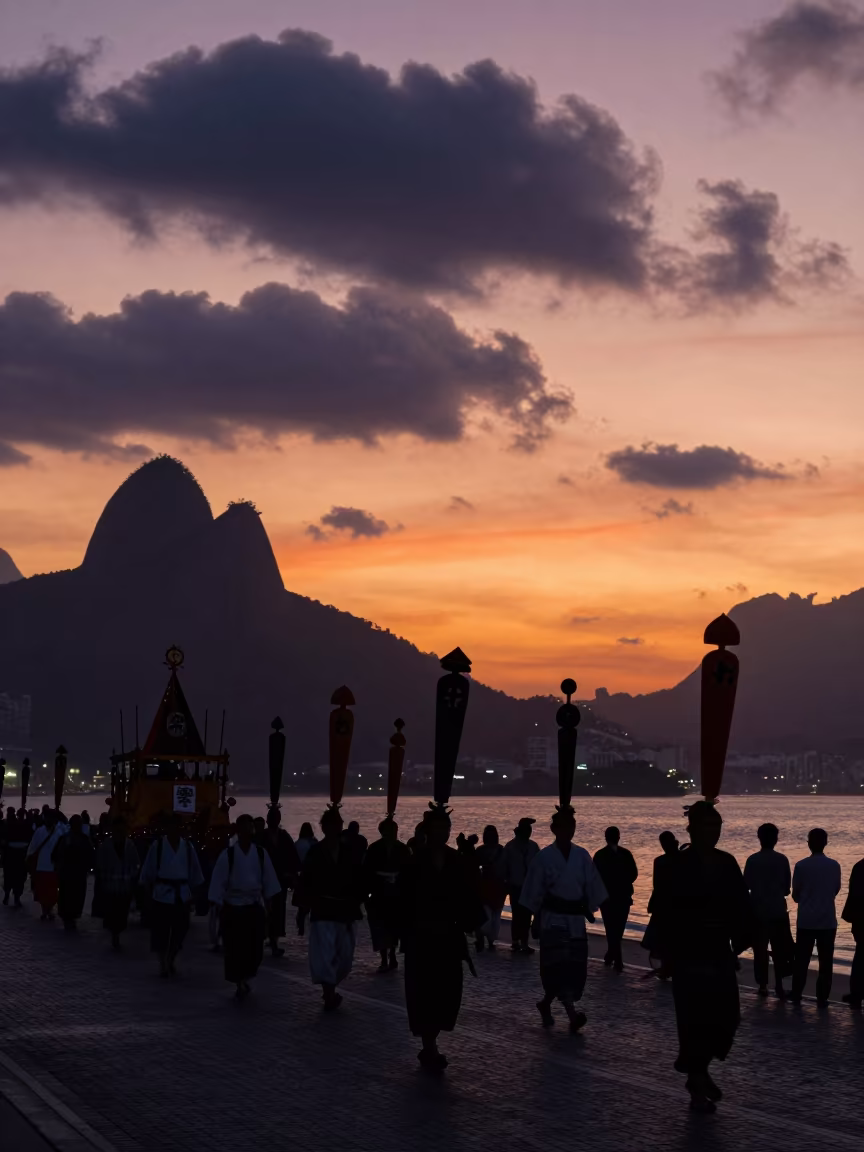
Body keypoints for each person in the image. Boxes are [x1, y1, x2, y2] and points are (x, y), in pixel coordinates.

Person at [655, 801, 751, 1114]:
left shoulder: (727, 862)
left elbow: (740, 904)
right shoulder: (675, 865)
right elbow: (665, 911)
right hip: (688, 951)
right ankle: (697, 1080)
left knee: (727, 1018)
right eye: (707, 827)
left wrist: (739, 943)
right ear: (692, 829)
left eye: (717, 827)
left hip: (719, 949)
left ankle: (698, 1069)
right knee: (693, 1020)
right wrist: (666, 954)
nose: (713, 833)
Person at [399, 807, 484, 1070]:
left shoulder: (456, 860)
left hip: (448, 937)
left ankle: (431, 1042)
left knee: (448, 992)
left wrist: (474, 924)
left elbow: (468, 894)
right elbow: (403, 901)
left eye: (445, 828)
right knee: (424, 992)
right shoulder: (414, 862)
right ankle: (429, 1047)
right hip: (422, 938)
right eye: (436, 828)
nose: (441, 833)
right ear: (428, 830)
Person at [519, 808, 608, 1032]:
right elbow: (534, 893)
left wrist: (589, 908)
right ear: (554, 829)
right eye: (564, 826)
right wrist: (535, 920)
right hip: (553, 919)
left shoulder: (582, 855)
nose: (569, 830)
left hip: (576, 920)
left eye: (572, 826)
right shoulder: (543, 858)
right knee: (557, 966)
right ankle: (572, 1014)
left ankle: (546, 1003)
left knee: (573, 967)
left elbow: (592, 886)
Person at [294, 808, 363, 1010]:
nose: (334, 827)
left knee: (344, 957)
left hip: (344, 910)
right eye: (329, 824)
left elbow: (358, 879)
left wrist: (359, 900)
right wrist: (302, 911)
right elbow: (306, 882)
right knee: (324, 954)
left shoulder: (349, 852)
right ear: (323, 827)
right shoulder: (315, 852)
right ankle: (329, 993)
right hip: (322, 909)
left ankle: (331, 987)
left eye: (337, 824)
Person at [209, 813, 281, 998]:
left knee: (255, 948)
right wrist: (218, 905)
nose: (247, 832)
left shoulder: (260, 854)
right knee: (234, 948)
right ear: (238, 831)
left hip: (253, 905)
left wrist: (269, 905)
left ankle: (247, 976)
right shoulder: (229, 855)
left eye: (250, 828)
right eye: (244, 828)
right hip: (233, 906)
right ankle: (240, 981)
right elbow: (218, 882)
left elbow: (268, 881)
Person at [139, 813, 205, 977]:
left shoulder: (188, 848)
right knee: (160, 932)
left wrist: (195, 897)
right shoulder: (158, 846)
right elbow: (148, 872)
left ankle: (171, 958)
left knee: (180, 931)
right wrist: (147, 895)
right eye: (171, 826)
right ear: (166, 827)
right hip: (161, 894)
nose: (174, 829)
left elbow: (196, 874)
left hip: (182, 895)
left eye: (177, 826)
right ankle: (163, 963)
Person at [791, 828, 841, 1006]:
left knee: (802, 960)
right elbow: (836, 890)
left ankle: (797, 992)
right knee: (826, 962)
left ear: (809, 843)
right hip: (827, 920)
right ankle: (822, 997)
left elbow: (795, 895)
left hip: (806, 920)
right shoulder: (834, 865)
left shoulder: (801, 865)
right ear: (826, 843)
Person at [743, 823, 793, 999]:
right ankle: (779, 986)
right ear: (776, 839)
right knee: (780, 950)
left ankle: (763, 985)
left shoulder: (752, 860)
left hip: (758, 911)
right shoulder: (782, 860)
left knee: (760, 950)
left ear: (759, 838)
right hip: (778, 911)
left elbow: (746, 885)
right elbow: (787, 889)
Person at [363, 817, 411, 972]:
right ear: (382, 832)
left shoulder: (403, 849)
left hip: (397, 894)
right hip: (379, 893)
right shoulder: (374, 849)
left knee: (394, 926)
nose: (393, 834)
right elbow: (367, 871)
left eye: (394, 831)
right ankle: (384, 957)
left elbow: (409, 872)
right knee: (379, 926)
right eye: (389, 831)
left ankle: (392, 954)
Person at [593, 826, 638, 973]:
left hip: (615, 897)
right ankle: (617, 959)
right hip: (615, 897)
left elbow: (596, 877)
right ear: (618, 837)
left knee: (614, 929)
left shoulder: (600, 855)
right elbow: (633, 874)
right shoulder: (624, 854)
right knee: (616, 929)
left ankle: (612, 954)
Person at [94, 817, 141, 949]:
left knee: (122, 913)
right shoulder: (106, 846)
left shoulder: (130, 845)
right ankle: (114, 936)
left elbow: (136, 864)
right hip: (110, 887)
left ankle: (117, 933)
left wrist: (132, 876)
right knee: (112, 913)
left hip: (125, 888)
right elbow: (100, 865)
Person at [261, 808, 301, 957]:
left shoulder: (284, 836)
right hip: (263, 881)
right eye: (271, 817)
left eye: (276, 817)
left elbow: (292, 857)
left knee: (278, 912)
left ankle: (274, 942)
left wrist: (292, 875)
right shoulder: (261, 836)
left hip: (280, 881)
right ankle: (263, 938)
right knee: (263, 911)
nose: (273, 820)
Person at [641, 830, 679, 978]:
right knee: (672, 938)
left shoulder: (660, 861)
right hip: (676, 904)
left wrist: (653, 903)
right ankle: (670, 967)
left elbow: (657, 885)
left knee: (664, 938)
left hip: (664, 905)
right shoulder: (680, 858)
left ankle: (666, 967)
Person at [503, 817, 540, 954]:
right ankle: (515, 941)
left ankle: (524, 942)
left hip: (529, 886)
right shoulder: (510, 847)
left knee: (527, 915)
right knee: (517, 914)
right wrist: (506, 883)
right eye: (527, 830)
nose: (529, 833)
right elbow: (504, 866)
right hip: (515, 885)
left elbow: (538, 867)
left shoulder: (534, 846)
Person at [54, 814, 95, 931]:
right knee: (69, 896)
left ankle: (70, 917)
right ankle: (68, 918)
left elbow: (90, 855)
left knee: (73, 897)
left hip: (76, 874)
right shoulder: (68, 838)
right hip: (70, 874)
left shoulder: (81, 838)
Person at [26, 809, 66, 920]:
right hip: (41, 865)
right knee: (42, 890)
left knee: (53, 891)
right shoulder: (40, 831)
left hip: (54, 866)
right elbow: (33, 846)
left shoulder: (60, 831)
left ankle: (49, 909)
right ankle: (45, 910)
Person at [475, 825, 508, 952]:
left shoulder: (480, 850)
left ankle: (484, 937)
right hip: (497, 886)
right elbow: (506, 868)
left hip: (486, 885)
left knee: (486, 914)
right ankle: (490, 940)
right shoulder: (501, 850)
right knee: (495, 915)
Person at [841, 855, 864, 1010]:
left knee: (861, 955)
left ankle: (856, 994)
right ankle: (856, 993)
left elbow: (854, 894)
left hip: (861, 919)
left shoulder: (859, 866)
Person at [293, 821, 317, 936]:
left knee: (302, 904)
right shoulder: (314, 843)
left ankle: (301, 923)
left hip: (301, 876)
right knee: (312, 903)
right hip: (313, 876)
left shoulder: (297, 843)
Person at [2, 809, 29, 909]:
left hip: (9, 855)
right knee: (19, 878)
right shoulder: (26, 826)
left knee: (8, 877)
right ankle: (16, 898)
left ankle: (7, 894)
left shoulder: (7, 825)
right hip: (20, 856)